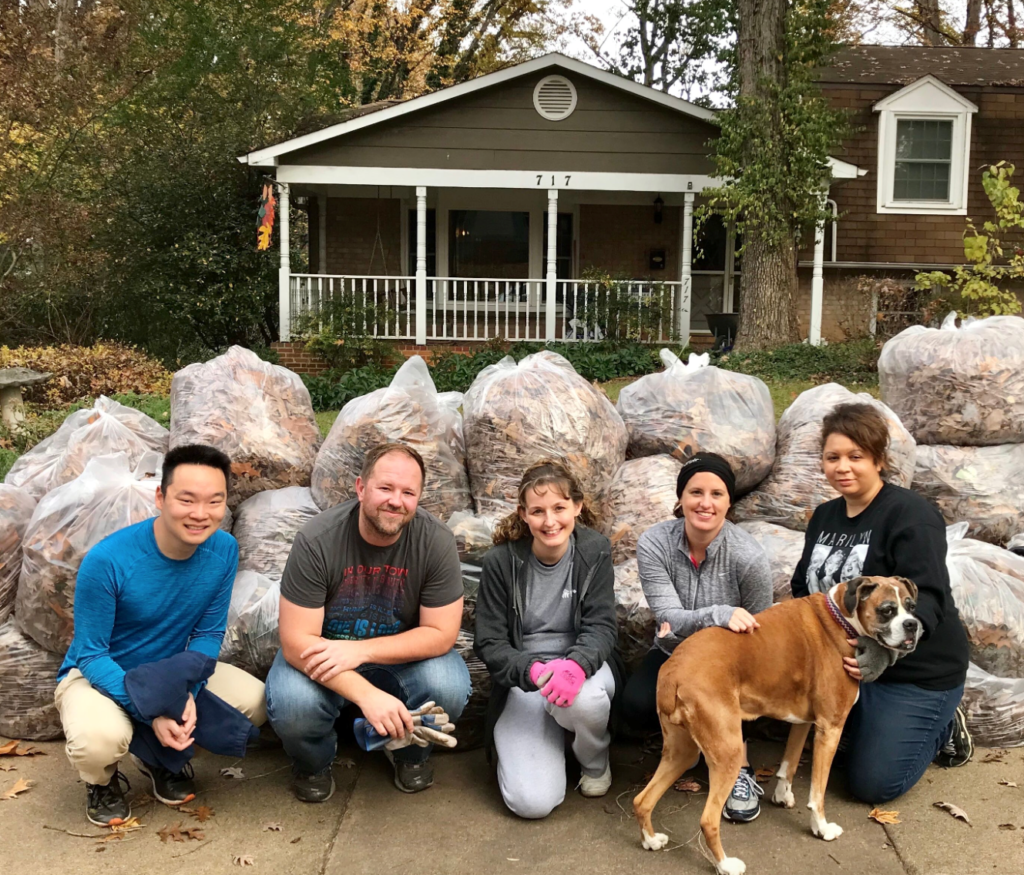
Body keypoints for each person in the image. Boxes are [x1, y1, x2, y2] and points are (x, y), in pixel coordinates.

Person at [55, 445, 267, 827]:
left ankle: (157, 759)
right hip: (98, 674)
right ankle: (100, 781)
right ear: (160, 497)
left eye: (214, 501)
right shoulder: (107, 561)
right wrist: (154, 710)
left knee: (256, 701)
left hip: (168, 670)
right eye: (186, 499)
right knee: (98, 739)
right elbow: (90, 654)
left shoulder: (224, 550)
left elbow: (207, 631)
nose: (200, 514)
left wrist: (189, 692)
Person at [266, 443, 471, 801]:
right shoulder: (317, 541)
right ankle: (314, 761)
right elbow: (298, 644)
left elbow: (441, 634)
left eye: (408, 493)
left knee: (449, 685)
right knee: (292, 704)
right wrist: (367, 695)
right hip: (322, 657)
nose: (396, 501)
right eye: (386, 488)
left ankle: (408, 752)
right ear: (361, 488)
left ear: (419, 497)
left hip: (396, 659)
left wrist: (359, 651)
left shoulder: (435, 541)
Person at [791, 403, 972, 803]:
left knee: (872, 784)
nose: (844, 467)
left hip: (914, 671)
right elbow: (804, 584)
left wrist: (884, 654)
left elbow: (930, 597)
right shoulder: (823, 516)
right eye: (833, 457)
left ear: (878, 459)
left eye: (856, 456)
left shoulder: (910, 514)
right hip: (846, 663)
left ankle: (942, 727)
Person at [623, 452, 773, 823]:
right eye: (695, 492)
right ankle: (692, 747)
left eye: (717, 494)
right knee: (635, 705)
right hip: (676, 652)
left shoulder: (749, 556)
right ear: (680, 498)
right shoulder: (654, 543)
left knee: (739, 699)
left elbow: (758, 628)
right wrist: (719, 614)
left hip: (732, 661)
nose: (705, 503)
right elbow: (669, 618)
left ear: (729, 502)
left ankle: (738, 765)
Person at [474, 459, 622, 819]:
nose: (550, 521)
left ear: (577, 506)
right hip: (528, 679)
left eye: (559, 507)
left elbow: (603, 625)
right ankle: (551, 743)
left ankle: (593, 757)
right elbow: (489, 641)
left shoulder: (594, 550)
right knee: (531, 803)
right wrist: (535, 671)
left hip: (583, 668)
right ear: (523, 514)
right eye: (537, 511)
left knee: (585, 701)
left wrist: (576, 664)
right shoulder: (500, 562)